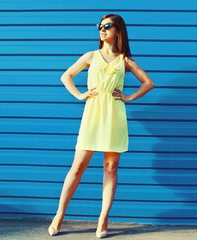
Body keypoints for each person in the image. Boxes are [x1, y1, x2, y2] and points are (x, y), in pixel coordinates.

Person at [48, 14, 154, 238]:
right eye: (100, 26)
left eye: (107, 26)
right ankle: (59, 214)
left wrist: (128, 97)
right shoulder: (90, 56)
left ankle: (103, 218)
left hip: (114, 118)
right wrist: (79, 95)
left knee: (110, 168)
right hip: (92, 116)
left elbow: (148, 83)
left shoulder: (124, 60)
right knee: (77, 168)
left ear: (118, 31)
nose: (102, 29)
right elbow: (66, 76)